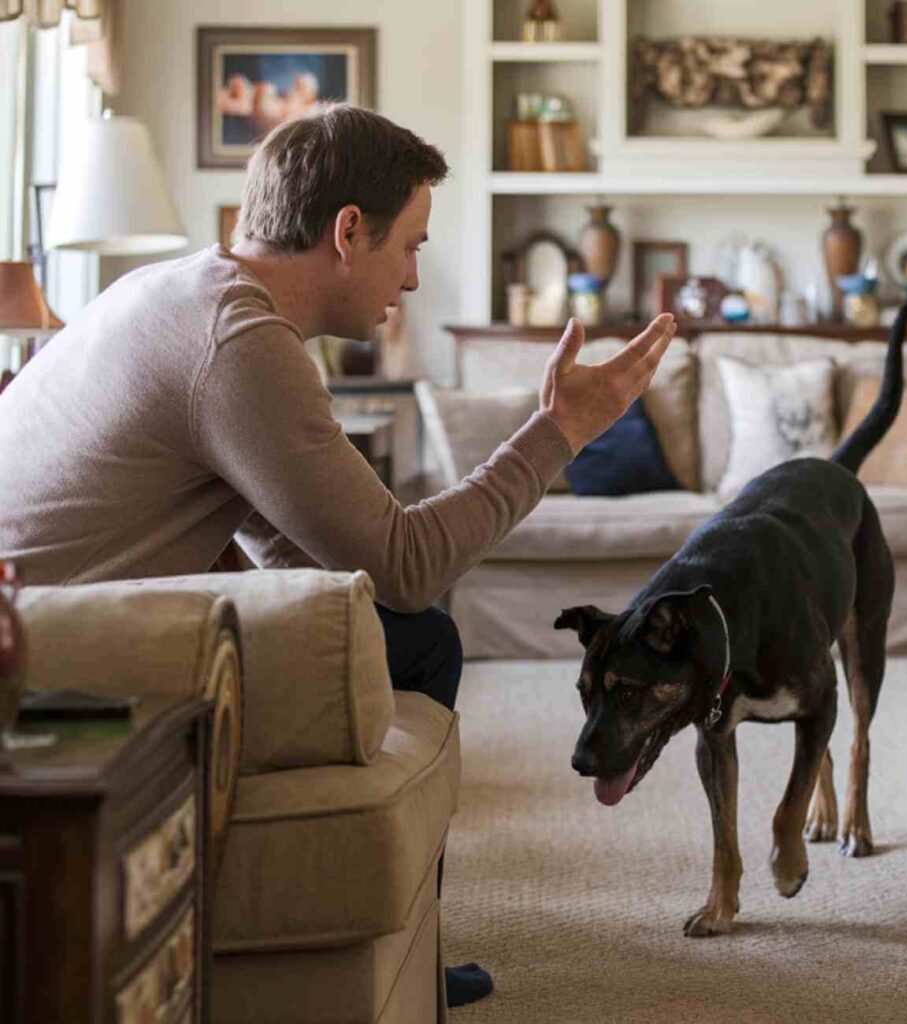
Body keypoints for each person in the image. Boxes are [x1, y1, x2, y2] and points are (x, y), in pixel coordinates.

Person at [0, 103, 675, 1007]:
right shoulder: (238, 344)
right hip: (57, 676)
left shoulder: (184, 293)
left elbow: (310, 551)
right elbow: (405, 564)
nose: (415, 278)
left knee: (396, 628)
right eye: (413, 246)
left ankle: (412, 935)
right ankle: (419, 949)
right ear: (348, 232)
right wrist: (561, 432)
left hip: (54, 630)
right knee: (422, 635)